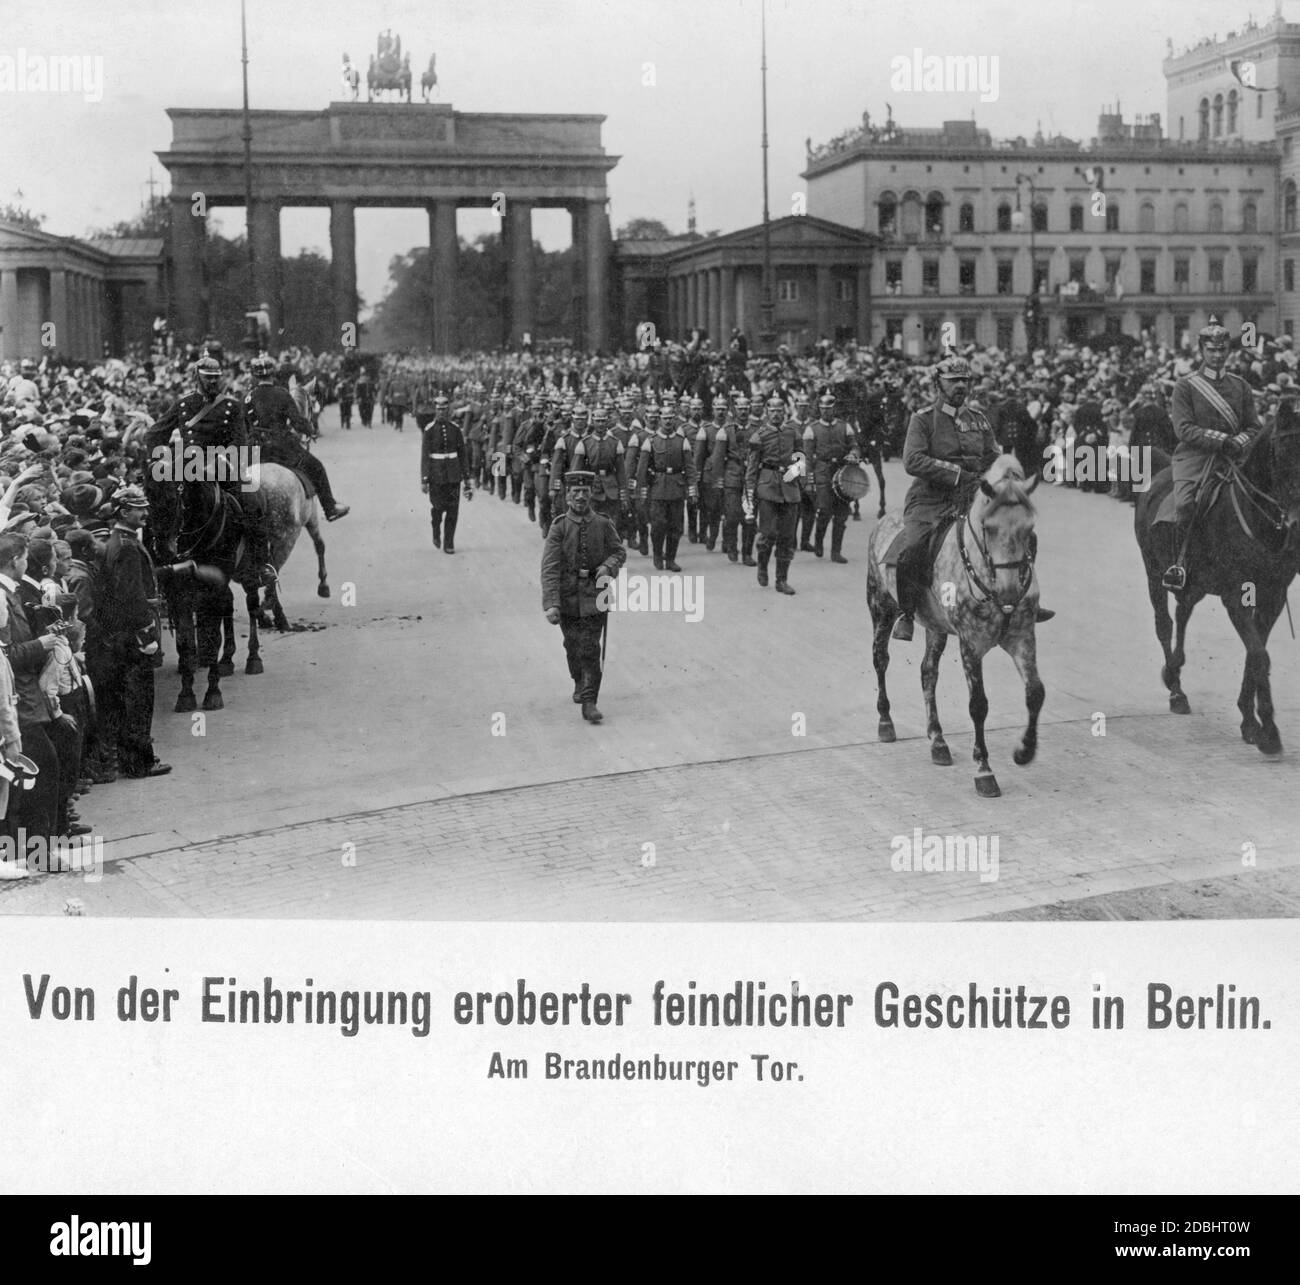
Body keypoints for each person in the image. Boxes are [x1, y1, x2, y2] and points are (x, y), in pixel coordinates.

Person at [147, 355, 277, 587]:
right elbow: (154, 433)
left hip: (223, 466)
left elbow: (240, 441)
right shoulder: (182, 404)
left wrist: (221, 459)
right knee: (157, 504)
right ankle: (155, 562)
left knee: (253, 500)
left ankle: (261, 565)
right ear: (197, 377)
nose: (213, 383)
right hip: (186, 464)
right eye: (208, 378)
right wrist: (159, 459)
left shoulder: (232, 406)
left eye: (216, 378)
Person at [1162, 317, 1260, 590]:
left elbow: (1254, 426)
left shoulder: (1241, 385)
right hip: (1195, 458)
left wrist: (1238, 442)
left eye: (1222, 350)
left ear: (1228, 351)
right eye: (1211, 350)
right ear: (1201, 351)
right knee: (1184, 504)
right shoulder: (1185, 385)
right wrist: (1222, 441)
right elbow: (1183, 429)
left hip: (1236, 457)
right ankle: (1180, 564)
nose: (1217, 356)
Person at [0, 532, 85, 847]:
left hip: (24, 700)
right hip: (20, 702)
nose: (27, 563)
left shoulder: (13, 592)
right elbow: (6, 654)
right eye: (23, 559)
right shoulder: (3, 596)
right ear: (14, 561)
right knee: (43, 773)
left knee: (38, 775)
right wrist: (42, 643)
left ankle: (37, 847)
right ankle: (41, 849)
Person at [540, 470, 627, 724]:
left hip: (595, 595)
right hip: (567, 598)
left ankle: (590, 701)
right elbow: (549, 568)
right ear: (568, 497)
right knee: (573, 646)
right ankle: (579, 680)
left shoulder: (602, 523)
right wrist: (551, 603)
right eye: (575, 493)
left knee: (590, 647)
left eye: (584, 493)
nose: (580, 497)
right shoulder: (559, 527)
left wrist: (608, 567)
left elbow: (618, 552)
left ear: (591, 496)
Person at [96, 487, 171, 779]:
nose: (146, 513)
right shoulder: (126, 547)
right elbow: (130, 596)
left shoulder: (119, 541)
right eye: (139, 508)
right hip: (133, 635)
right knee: (139, 699)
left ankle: (135, 759)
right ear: (124, 513)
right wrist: (146, 633)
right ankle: (139, 762)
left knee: (133, 699)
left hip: (122, 634)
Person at [243, 354, 350, 521]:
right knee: (317, 467)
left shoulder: (248, 397)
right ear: (273, 375)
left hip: (255, 449)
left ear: (255, 377)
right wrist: (310, 430)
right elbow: (297, 422)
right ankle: (330, 508)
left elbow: (244, 425)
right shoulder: (282, 394)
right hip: (282, 447)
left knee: (233, 478)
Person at [744, 395, 804, 594]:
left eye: (780, 410)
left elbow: (801, 458)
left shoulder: (792, 433)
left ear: (784, 412)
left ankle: (781, 580)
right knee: (768, 534)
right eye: (773, 411)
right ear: (766, 412)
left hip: (789, 488)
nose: (776, 414)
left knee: (787, 536)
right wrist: (749, 496)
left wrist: (796, 472)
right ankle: (762, 566)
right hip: (768, 488)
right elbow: (752, 469)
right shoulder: (759, 436)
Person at [636, 399, 698, 572]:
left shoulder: (682, 441)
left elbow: (690, 468)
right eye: (665, 418)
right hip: (657, 489)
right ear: (660, 420)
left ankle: (671, 559)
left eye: (671, 418)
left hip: (677, 488)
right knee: (658, 525)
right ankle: (657, 555)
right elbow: (641, 470)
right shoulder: (651, 441)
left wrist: (692, 490)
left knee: (676, 526)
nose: (668, 421)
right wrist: (642, 491)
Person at [803, 390, 861, 563]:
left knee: (842, 514)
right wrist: (809, 479)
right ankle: (819, 540)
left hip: (841, 473)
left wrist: (854, 454)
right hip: (822, 471)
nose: (826, 411)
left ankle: (836, 551)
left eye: (829, 408)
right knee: (824, 510)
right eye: (822, 409)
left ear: (834, 408)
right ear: (819, 409)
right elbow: (807, 457)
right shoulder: (811, 429)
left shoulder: (845, 426)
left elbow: (855, 446)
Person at [420, 395, 472, 553]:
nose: (441, 412)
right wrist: (424, 479)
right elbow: (425, 457)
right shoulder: (429, 430)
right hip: (436, 476)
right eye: (438, 409)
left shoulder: (455, 429)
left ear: (448, 410)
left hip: (453, 475)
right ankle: (436, 529)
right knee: (437, 508)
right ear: (435, 410)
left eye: (444, 409)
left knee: (453, 510)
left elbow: (462, 455)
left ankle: (449, 542)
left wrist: (467, 478)